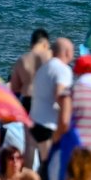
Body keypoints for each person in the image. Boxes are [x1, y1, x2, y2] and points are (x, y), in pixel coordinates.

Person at [28, 37, 74, 167]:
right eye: (72, 51)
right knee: (53, 167)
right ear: (66, 52)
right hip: (49, 126)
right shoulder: (63, 69)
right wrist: (66, 120)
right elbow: (60, 94)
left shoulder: (43, 69)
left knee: (42, 165)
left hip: (35, 123)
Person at [8, 28, 50, 112]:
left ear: (32, 43)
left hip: (27, 100)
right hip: (43, 101)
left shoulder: (22, 60)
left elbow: (15, 87)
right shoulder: (49, 59)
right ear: (45, 43)